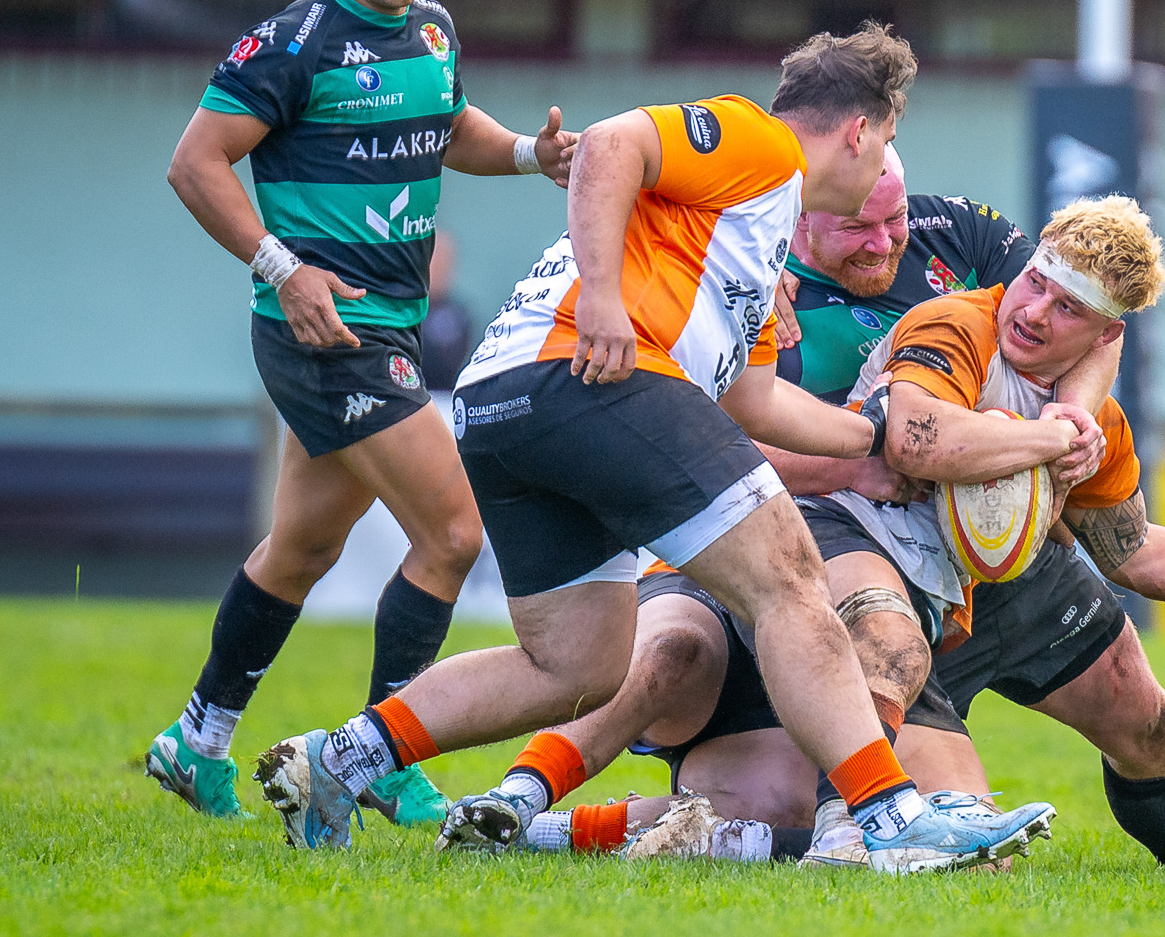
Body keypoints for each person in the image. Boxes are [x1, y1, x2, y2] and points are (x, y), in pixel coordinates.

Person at [255, 24, 1057, 873]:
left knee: (575, 665)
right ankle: (892, 819)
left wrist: (875, 438)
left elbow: (753, 399)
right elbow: (610, 144)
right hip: (591, 370)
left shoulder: (759, 232)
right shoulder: (761, 142)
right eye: (889, 139)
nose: (885, 160)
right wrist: (600, 299)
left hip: (501, 400)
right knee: (791, 575)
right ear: (860, 129)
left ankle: (338, 762)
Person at [442, 150, 1090, 866]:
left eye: (894, 219)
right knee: (668, 649)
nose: (883, 241)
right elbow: (708, 446)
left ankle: (605, 834)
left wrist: (1069, 425)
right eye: (856, 226)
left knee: (802, 800)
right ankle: (517, 797)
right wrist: (871, 457)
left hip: (882, 571)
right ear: (802, 211)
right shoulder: (747, 276)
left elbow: (1094, 305)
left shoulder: (957, 236)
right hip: (734, 542)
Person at [145, 0, 574, 826]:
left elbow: (446, 124)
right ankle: (385, 748)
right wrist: (281, 266)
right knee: (454, 529)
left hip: (390, 327)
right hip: (323, 333)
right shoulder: (291, 42)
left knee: (300, 547)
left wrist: (526, 152)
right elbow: (194, 163)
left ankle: (196, 736)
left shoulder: (430, 29)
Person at [812, 196, 1165, 871]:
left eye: (1068, 308)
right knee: (894, 655)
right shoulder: (957, 322)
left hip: (981, 586)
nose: (1032, 311)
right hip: (855, 534)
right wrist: (1050, 437)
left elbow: (1133, 548)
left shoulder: (1099, 426)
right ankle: (842, 831)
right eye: (1036, 282)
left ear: (1105, 337)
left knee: (1148, 716)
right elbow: (913, 437)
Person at [420, 231, 477, 395]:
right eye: (433, 261)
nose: (438, 269)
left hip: (445, 400)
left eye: (444, 262)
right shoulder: (400, 312)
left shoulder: (459, 315)